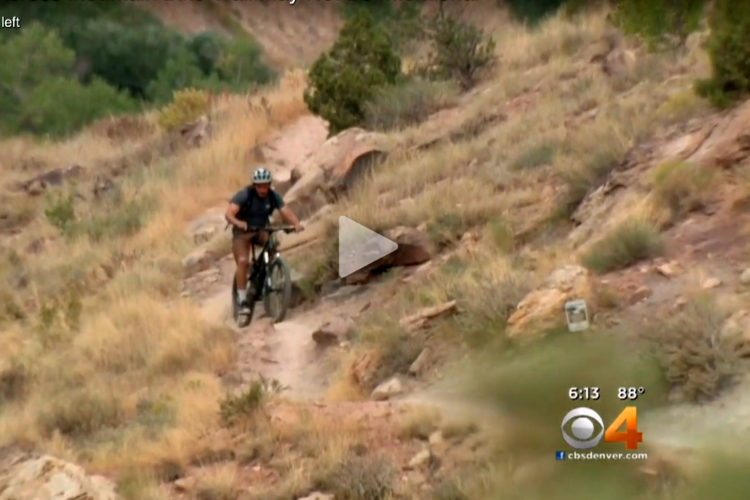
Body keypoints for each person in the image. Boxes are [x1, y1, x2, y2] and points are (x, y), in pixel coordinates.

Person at [225, 167, 303, 313]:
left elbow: (285, 210)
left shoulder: (272, 196)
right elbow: (229, 214)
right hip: (242, 233)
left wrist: (296, 223)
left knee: (272, 246)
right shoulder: (245, 195)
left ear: (269, 184)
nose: (263, 189)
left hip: (261, 229)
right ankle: (242, 300)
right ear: (254, 185)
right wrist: (239, 223)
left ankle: (271, 277)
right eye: (259, 185)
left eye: (265, 185)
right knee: (243, 261)